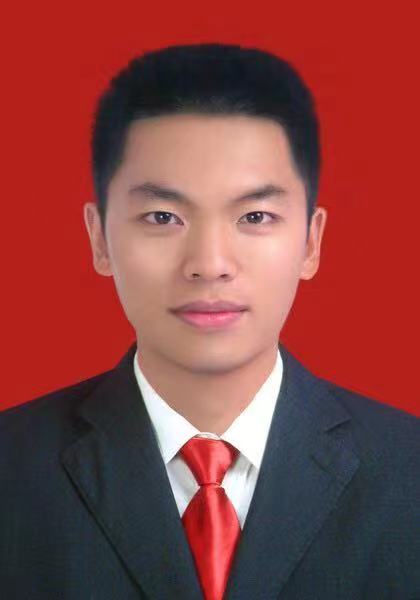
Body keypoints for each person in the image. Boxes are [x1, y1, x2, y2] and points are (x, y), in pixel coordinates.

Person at [0, 43, 418, 600]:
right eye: (163, 216)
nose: (209, 264)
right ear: (99, 238)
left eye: (255, 216)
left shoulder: (409, 471)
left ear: (311, 241)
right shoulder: (11, 468)